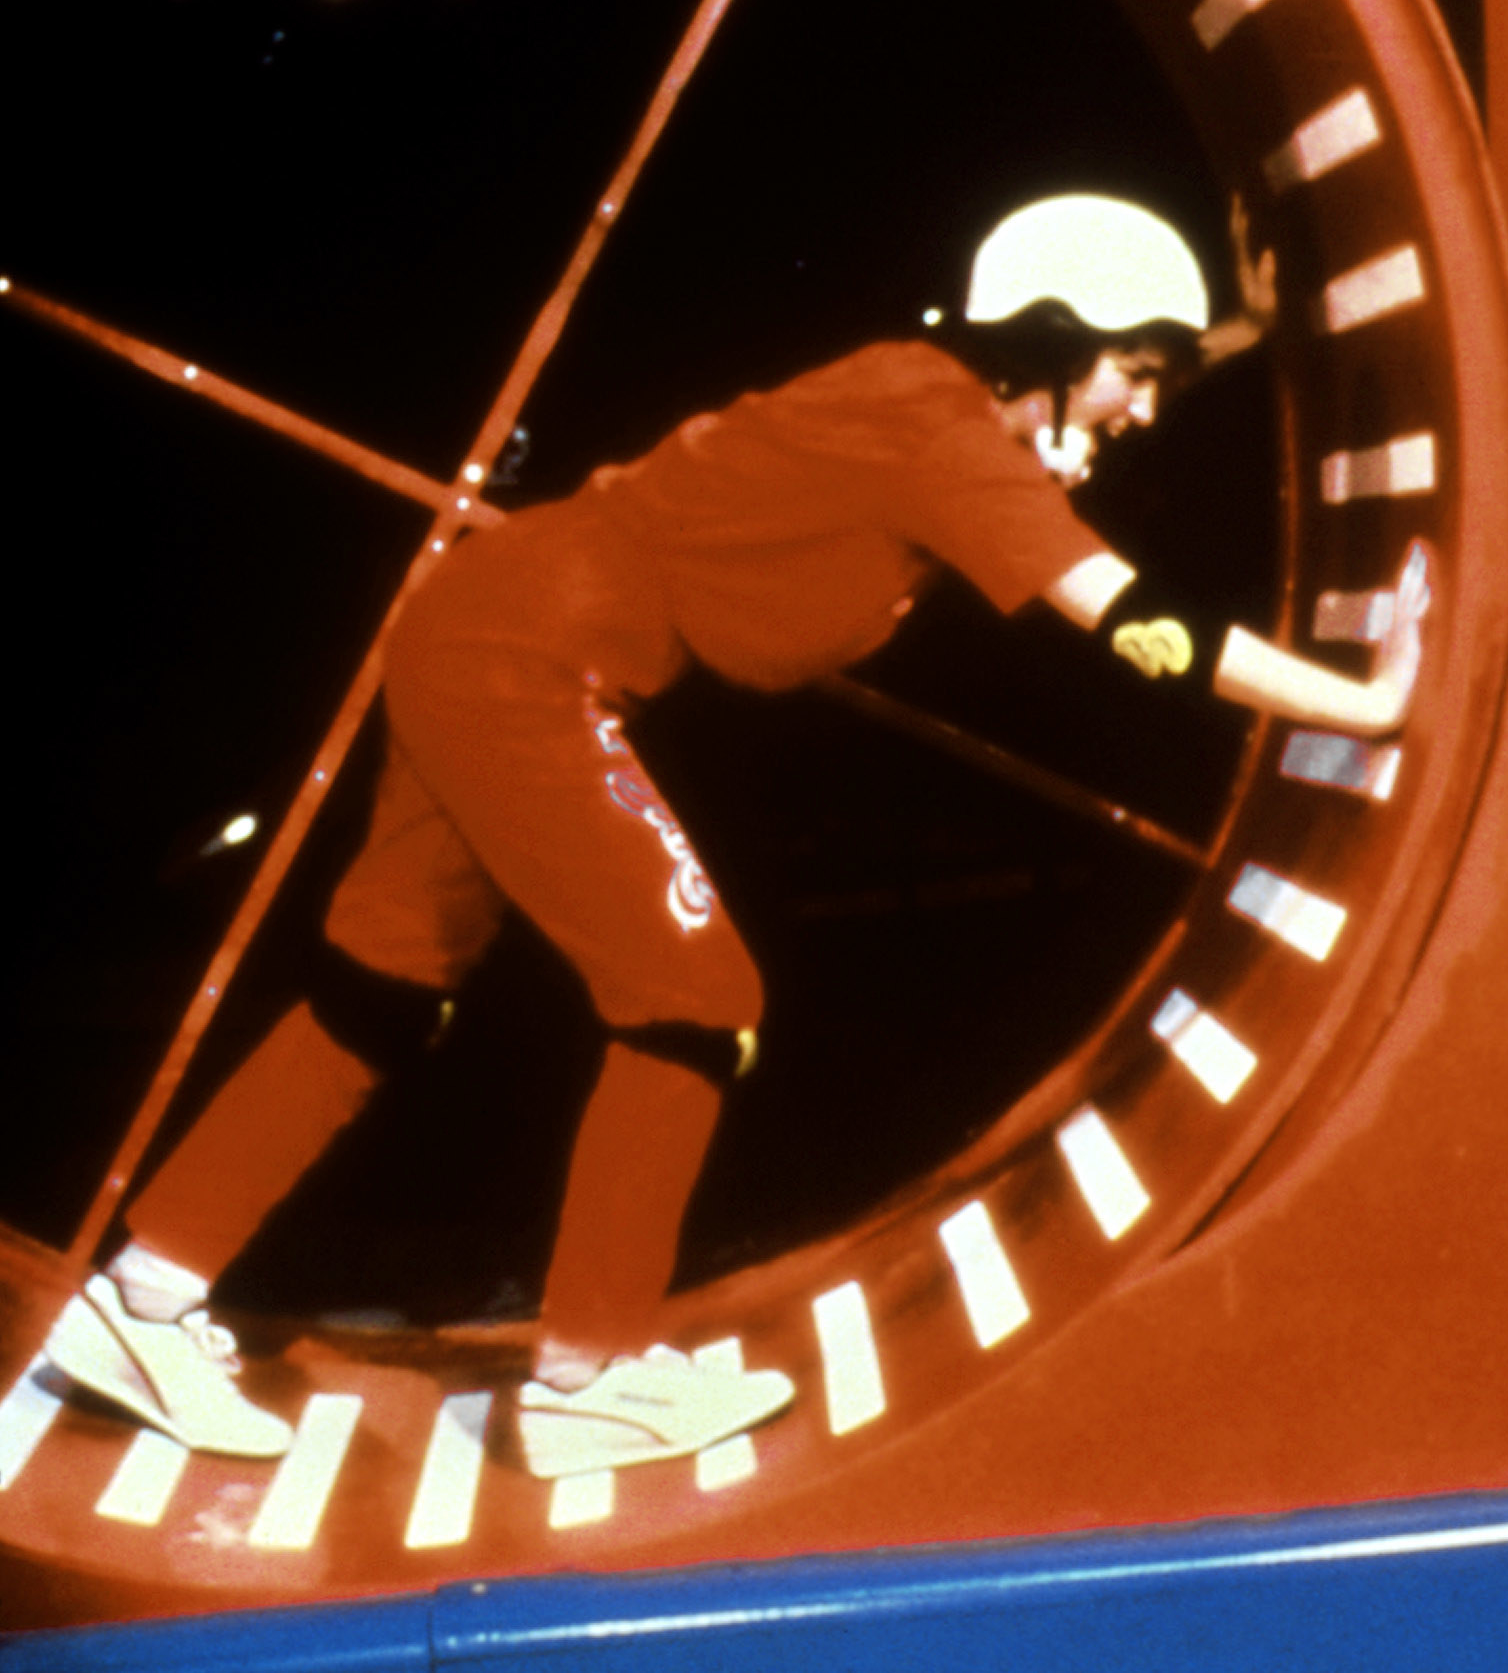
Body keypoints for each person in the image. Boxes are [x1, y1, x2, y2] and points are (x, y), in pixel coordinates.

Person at [42, 193, 1433, 1481]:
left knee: (385, 993)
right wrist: (1365, 698)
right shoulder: (945, 443)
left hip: (487, 626)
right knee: (698, 1001)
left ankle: (144, 1300)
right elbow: (1148, 633)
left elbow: (1105, 412)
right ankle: (586, 1376)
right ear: (1056, 347)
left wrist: (1250, 327)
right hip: (534, 661)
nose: (1143, 407)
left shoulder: (940, 403)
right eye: (1137, 370)